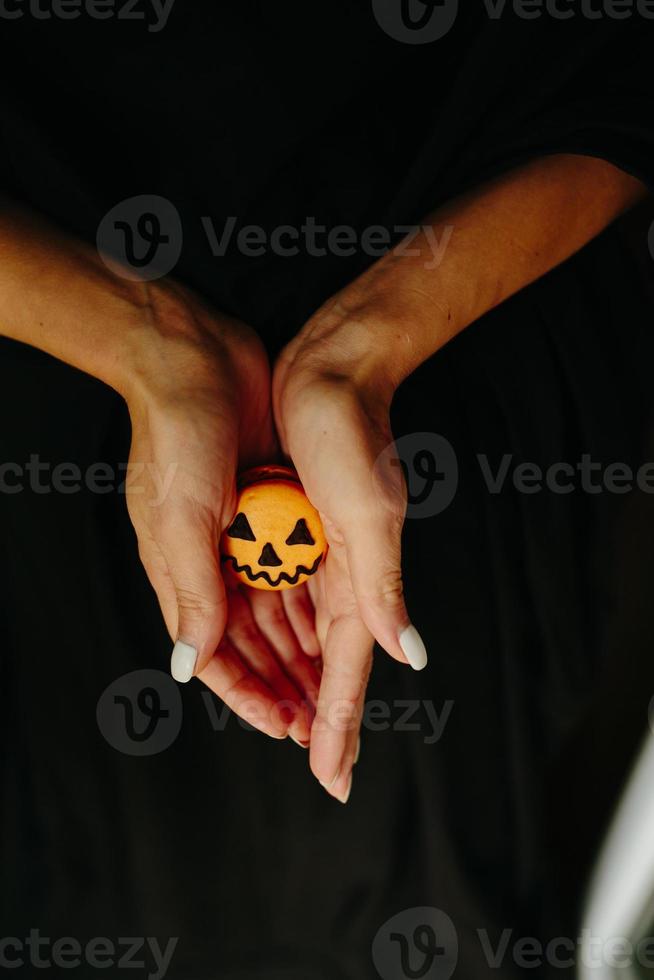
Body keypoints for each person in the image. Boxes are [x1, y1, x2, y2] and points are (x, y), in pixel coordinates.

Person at [1, 7, 653, 978]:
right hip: (70, 430)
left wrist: (364, 346)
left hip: (474, 358)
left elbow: (629, 68)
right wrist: (136, 344)